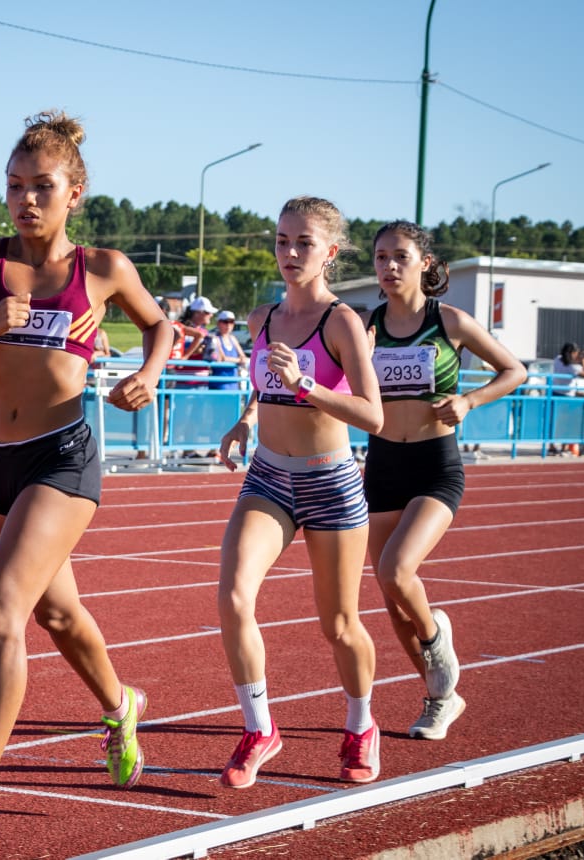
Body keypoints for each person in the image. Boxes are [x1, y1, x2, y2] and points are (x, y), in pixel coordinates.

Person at [0, 110, 171, 838]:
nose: (25, 200)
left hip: (63, 456)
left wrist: (146, 373)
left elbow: (158, 323)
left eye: (42, 186)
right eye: (14, 185)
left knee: (0, 608)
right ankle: (120, 705)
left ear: (74, 193)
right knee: (56, 614)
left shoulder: (104, 268)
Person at [214, 196, 384, 789]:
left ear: (330, 253)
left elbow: (373, 415)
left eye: (304, 243)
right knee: (234, 597)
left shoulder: (340, 322)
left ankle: (361, 725)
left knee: (338, 623)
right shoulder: (262, 317)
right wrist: (247, 416)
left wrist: (305, 384)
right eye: (283, 241)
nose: (290, 253)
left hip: (330, 480)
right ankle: (260, 728)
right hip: (268, 476)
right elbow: (267, 382)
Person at [362, 220, 525, 741]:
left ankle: (436, 640)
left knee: (397, 570)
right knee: (391, 600)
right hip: (382, 463)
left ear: (425, 263)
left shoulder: (450, 321)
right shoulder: (367, 326)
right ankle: (440, 698)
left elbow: (514, 370)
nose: (389, 266)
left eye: (400, 257)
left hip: (435, 463)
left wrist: (468, 401)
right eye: (381, 256)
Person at [206, 309, 247, 390]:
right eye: (225, 322)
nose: (228, 325)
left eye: (231, 322)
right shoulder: (215, 339)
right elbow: (222, 358)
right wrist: (238, 360)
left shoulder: (233, 339)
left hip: (233, 382)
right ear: (218, 323)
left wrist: (236, 360)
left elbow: (244, 358)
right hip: (220, 382)